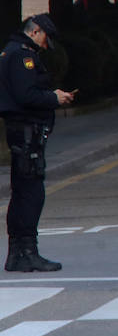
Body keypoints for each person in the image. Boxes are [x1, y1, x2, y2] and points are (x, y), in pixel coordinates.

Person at [1, 15, 76, 272]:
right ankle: (27, 252)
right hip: (27, 133)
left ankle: (17, 254)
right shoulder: (22, 57)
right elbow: (26, 95)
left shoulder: (11, 52)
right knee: (31, 193)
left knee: (22, 191)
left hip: (22, 133)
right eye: (46, 38)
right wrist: (54, 98)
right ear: (35, 32)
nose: (46, 45)